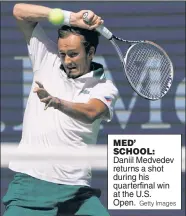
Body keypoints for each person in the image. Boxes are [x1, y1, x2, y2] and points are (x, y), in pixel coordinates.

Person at [2, 3, 118, 216]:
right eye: (63, 53)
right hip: (31, 186)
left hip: (77, 193)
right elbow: (19, 11)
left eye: (73, 54)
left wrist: (57, 102)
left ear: (90, 52)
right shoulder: (46, 58)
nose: (66, 61)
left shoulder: (104, 87)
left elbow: (91, 112)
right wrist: (70, 18)